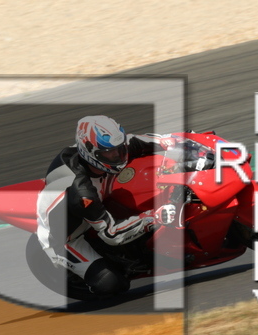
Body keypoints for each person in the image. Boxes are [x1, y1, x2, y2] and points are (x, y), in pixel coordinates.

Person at [36, 115, 177, 297]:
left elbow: (137, 141)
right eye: (109, 152)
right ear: (91, 153)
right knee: (111, 284)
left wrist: (178, 142)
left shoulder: (101, 149)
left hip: (94, 202)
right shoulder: (83, 194)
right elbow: (112, 235)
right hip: (66, 237)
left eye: (119, 149)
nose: (117, 155)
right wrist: (153, 217)